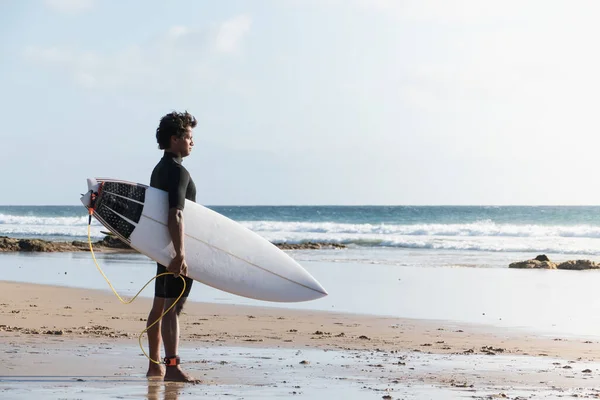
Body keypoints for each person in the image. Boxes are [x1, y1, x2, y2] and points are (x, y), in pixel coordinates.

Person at [145, 110, 198, 383]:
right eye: (189, 137)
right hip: (174, 250)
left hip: (161, 249)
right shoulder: (178, 172)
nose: (192, 143)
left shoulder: (159, 169)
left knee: (159, 307)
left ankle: (155, 366)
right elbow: (176, 213)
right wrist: (181, 254)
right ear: (175, 139)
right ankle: (173, 367)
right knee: (172, 309)